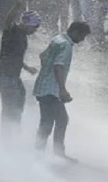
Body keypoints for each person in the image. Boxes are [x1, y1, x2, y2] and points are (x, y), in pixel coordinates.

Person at [32, 22, 91, 161]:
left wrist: (45, 73)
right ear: (75, 32)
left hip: (42, 87)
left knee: (46, 121)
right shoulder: (65, 45)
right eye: (83, 36)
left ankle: (38, 152)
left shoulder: (57, 38)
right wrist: (62, 89)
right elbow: (58, 66)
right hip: (51, 90)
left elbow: (42, 56)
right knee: (62, 120)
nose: (82, 40)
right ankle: (58, 153)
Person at [0, 0, 40, 140]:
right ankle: (6, 137)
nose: (35, 30)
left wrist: (27, 68)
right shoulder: (12, 31)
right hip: (4, 75)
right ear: (27, 24)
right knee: (9, 107)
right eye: (35, 27)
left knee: (19, 102)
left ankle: (15, 131)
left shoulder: (23, 36)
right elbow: (7, 21)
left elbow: (16, 56)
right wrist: (17, 6)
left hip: (14, 75)